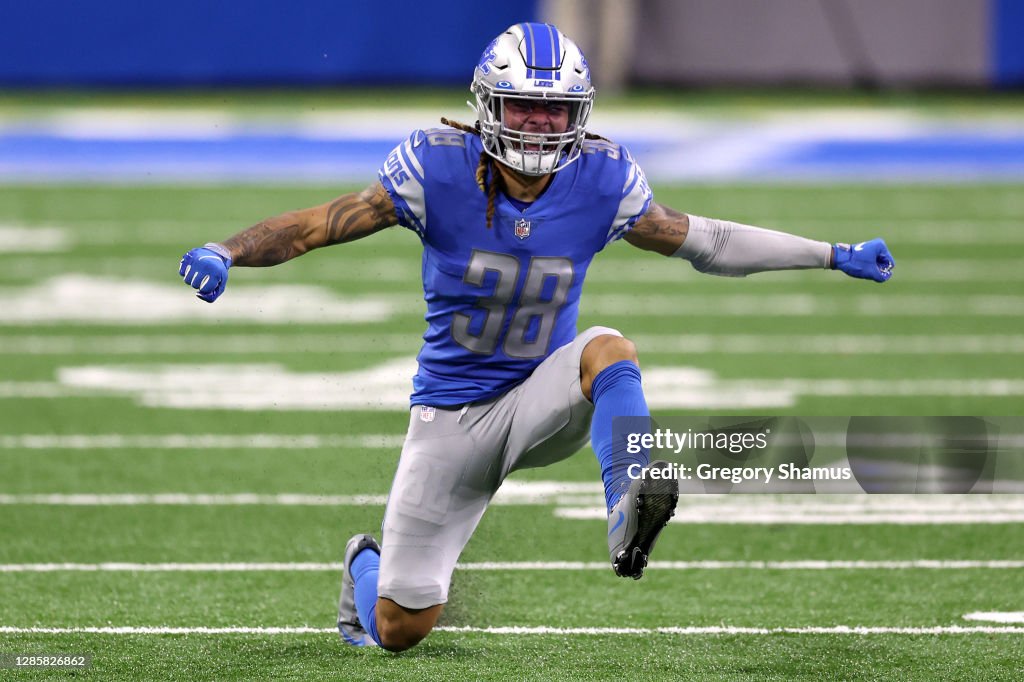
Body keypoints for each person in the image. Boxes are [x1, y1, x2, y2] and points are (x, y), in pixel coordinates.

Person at [177, 22, 894, 652]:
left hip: (544, 393)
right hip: (452, 416)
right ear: (487, 107)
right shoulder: (435, 169)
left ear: (578, 114)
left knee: (608, 348)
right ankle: (366, 563)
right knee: (400, 628)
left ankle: (629, 497)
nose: (541, 125)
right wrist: (228, 249)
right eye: (525, 105)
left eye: (556, 110)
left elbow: (704, 239)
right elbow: (315, 225)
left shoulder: (604, 178)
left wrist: (829, 251)